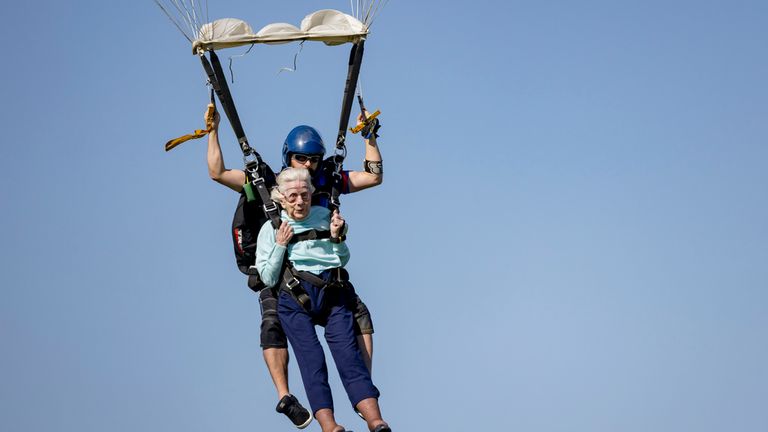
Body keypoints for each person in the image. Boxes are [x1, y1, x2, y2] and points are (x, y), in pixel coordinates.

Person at [206, 108, 383, 428]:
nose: (308, 165)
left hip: (325, 275)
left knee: (360, 315)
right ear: (290, 158)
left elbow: (372, 176)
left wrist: (370, 138)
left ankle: (362, 392)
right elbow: (218, 172)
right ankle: (285, 396)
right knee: (273, 322)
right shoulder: (270, 183)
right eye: (301, 159)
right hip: (281, 274)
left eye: (314, 159)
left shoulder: (326, 182)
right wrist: (213, 132)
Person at [256, 168, 390, 432]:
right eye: (292, 196)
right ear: (281, 198)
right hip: (293, 298)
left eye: (304, 195)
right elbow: (269, 278)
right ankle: (329, 426)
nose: (299, 201)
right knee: (312, 360)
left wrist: (337, 237)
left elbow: (342, 259)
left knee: (348, 355)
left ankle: (376, 421)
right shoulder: (271, 228)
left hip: (331, 292)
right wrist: (281, 244)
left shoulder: (324, 217)